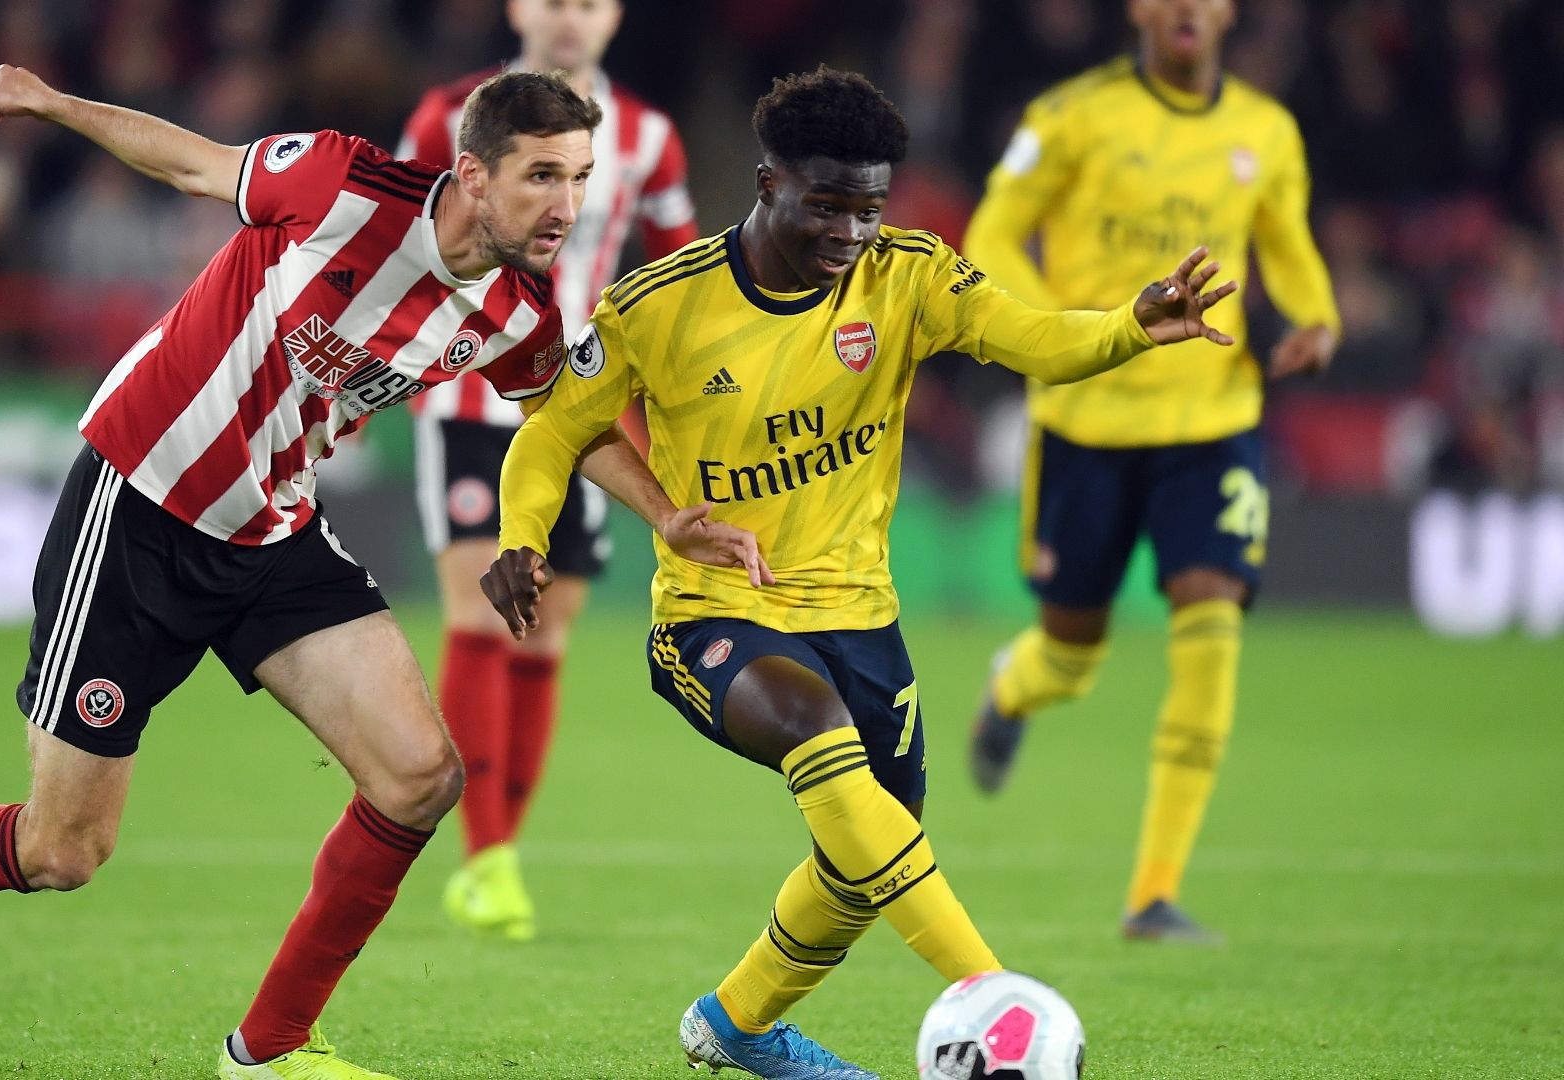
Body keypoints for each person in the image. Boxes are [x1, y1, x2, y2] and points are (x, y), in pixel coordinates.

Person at [0, 63, 751, 1080]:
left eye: (580, 178)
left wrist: (670, 515)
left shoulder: (515, 311)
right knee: (63, 852)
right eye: (543, 176)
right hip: (140, 506)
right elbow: (193, 164)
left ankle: (266, 1052)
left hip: (273, 533)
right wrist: (52, 104)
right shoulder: (345, 187)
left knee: (418, 778)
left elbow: (566, 414)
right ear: (474, 175)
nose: (567, 206)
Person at [480, 68, 1238, 1079]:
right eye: (827, 207)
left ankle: (736, 1024)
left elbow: (1035, 341)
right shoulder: (658, 307)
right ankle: (997, 999)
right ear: (766, 183)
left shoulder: (911, 277)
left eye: (869, 211)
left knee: (865, 853)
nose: (850, 234)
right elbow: (552, 433)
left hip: (861, 620)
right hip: (716, 615)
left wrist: (1129, 327)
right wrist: (521, 537)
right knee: (812, 732)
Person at [962, 0, 1340, 943]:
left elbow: (1284, 239)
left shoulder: (1266, 128)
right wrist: (1068, 331)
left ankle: (1153, 894)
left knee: (1211, 614)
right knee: (1072, 655)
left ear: (1226, 13)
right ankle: (1015, 687)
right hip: (1087, 417)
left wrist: (1318, 315)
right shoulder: (1069, 116)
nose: (1186, 7)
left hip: (1214, 418)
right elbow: (992, 236)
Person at [398, 0, 697, 942]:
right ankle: (487, 861)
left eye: (592, 3)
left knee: (547, 634)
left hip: (580, 403)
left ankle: (499, 855)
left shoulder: (649, 137)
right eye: (552, 0)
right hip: (466, 396)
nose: (571, 19)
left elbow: (677, 269)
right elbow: (390, 248)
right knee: (484, 609)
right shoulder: (446, 116)